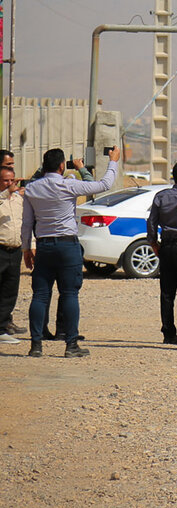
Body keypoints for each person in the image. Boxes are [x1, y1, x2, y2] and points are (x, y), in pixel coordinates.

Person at [21, 146, 120, 358]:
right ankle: (71, 344)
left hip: (44, 245)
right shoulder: (69, 185)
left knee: (40, 295)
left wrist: (26, 248)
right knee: (69, 294)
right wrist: (113, 161)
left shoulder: (32, 189)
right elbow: (104, 184)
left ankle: (36, 345)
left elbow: (27, 222)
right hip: (67, 245)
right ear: (60, 166)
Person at [147, 160, 177, 345]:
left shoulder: (161, 196)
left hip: (166, 246)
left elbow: (151, 222)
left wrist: (153, 243)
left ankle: (168, 333)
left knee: (167, 293)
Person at [0, 165, 24, 343]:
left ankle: (2, 328)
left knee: (9, 290)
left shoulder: (18, 200)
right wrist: (5, 193)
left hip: (14, 250)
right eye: (5, 180)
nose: (9, 184)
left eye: (11, 180)